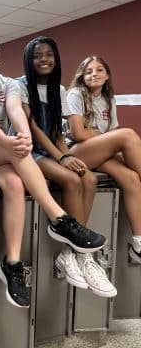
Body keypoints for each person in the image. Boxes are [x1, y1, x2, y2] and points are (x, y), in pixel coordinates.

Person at [0, 30, 107, 308]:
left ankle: (12, 262)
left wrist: (23, 136)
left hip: (4, 152)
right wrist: (11, 142)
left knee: (15, 184)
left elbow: (16, 111)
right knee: (15, 150)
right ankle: (59, 218)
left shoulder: (9, 84)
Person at [19, 37, 116, 298]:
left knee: (88, 178)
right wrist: (62, 159)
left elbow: (57, 134)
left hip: (51, 149)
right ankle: (81, 251)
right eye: (37, 55)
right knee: (72, 180)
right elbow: (34, 129)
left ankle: (76, 254)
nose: (44, 59)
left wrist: (67, 155)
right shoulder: (20, 85)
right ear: (28, 59)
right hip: (29, 152)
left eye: (49, 54)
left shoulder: (58, 89)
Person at [67, 55, 141, 266]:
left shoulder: (109, 99)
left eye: (99, 70)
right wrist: (109, 140)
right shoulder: (75, 94)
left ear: (107, 75)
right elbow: (78, 133)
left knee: (131, 178)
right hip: (77, 152)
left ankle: (138, 243)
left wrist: (110, 142)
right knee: (128, 135)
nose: (94, 74)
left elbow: (112, 133)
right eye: (89, 71)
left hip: (100, 153)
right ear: (82, 76)